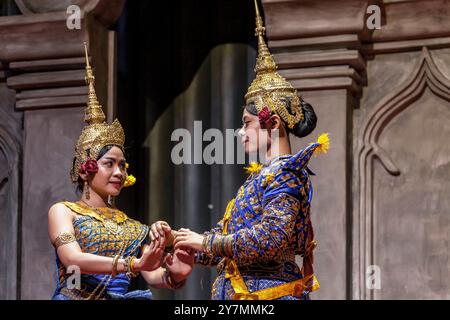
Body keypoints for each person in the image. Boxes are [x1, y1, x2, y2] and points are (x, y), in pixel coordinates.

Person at [173, 0, 329, 300]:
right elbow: (225, 241)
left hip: (269, 295)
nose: (241, 133)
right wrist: (181, 243)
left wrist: (203, 244)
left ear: (272, 123)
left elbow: (270, 239)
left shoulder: (287, 175)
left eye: (246, 123)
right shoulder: (259, 180)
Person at [48, 43, 192, 300]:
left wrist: (176, 274)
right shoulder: (64, 211)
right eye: (109, 164)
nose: (119, 172)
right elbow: (72, 258)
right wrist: (133, 265)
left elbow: (153, 275)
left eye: (123, 165)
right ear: (85, 171)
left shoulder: (132, 228)